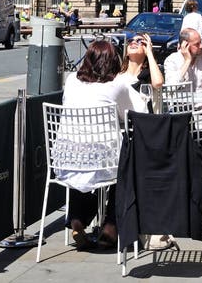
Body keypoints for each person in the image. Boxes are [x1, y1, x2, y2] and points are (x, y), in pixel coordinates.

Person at [58, 40, 145, 250]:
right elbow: (138, 111)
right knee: (125, 169)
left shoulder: (71, 80)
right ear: (112, 61)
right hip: (102, 159)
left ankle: (78, 218)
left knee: (85, 160)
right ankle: (111, 226)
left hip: (65, 158)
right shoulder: (116, 85)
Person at [164, 27, 202, 93]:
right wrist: (187, 61)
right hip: (182, 102)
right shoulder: (172, 60)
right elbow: (171, 87)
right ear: (185, 45)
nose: (201, 46)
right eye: (197, 44)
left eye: (201, 42)